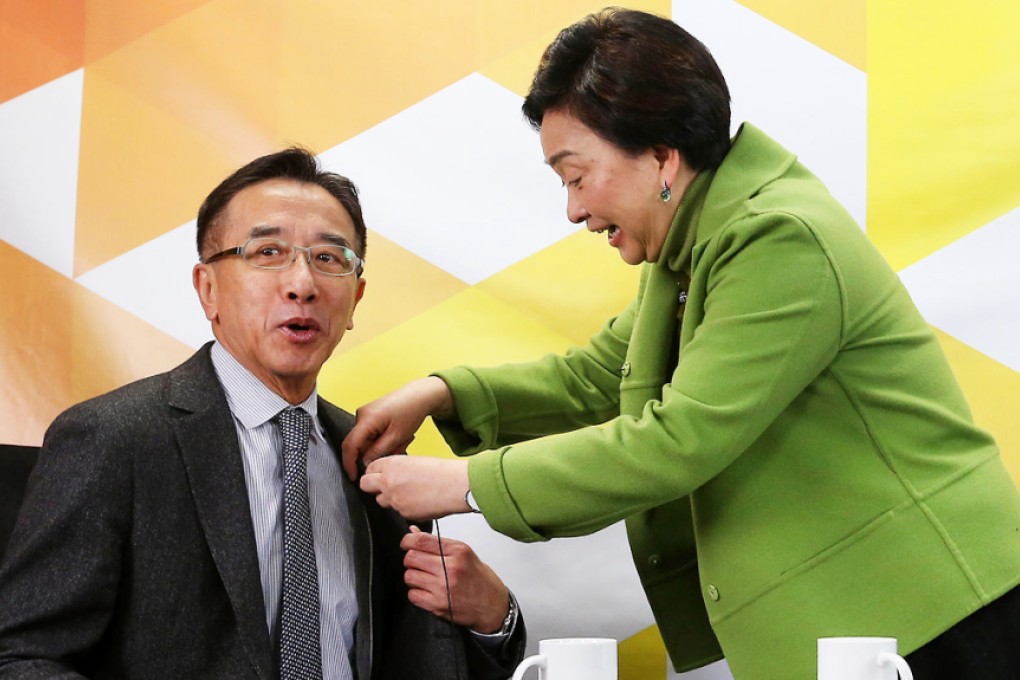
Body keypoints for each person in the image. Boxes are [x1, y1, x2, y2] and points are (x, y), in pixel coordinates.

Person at [343, 8, 1020, 680]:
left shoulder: (777, 236)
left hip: (942, 613)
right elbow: (597, 382)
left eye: (576, 177)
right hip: (877, 623)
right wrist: (442, 393)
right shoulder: (690, 254)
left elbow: (680, 439)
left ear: (662, 155)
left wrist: (464, 485)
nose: (573, 210)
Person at [0, 148, 525, 680]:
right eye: (268, 251)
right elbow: (22, 657)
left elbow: (422, 659)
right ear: (208, 289)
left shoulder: (375, 459)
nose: (302, 284)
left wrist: (495, 620)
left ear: (356, 299)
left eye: (328, 259)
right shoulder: (113, 439)